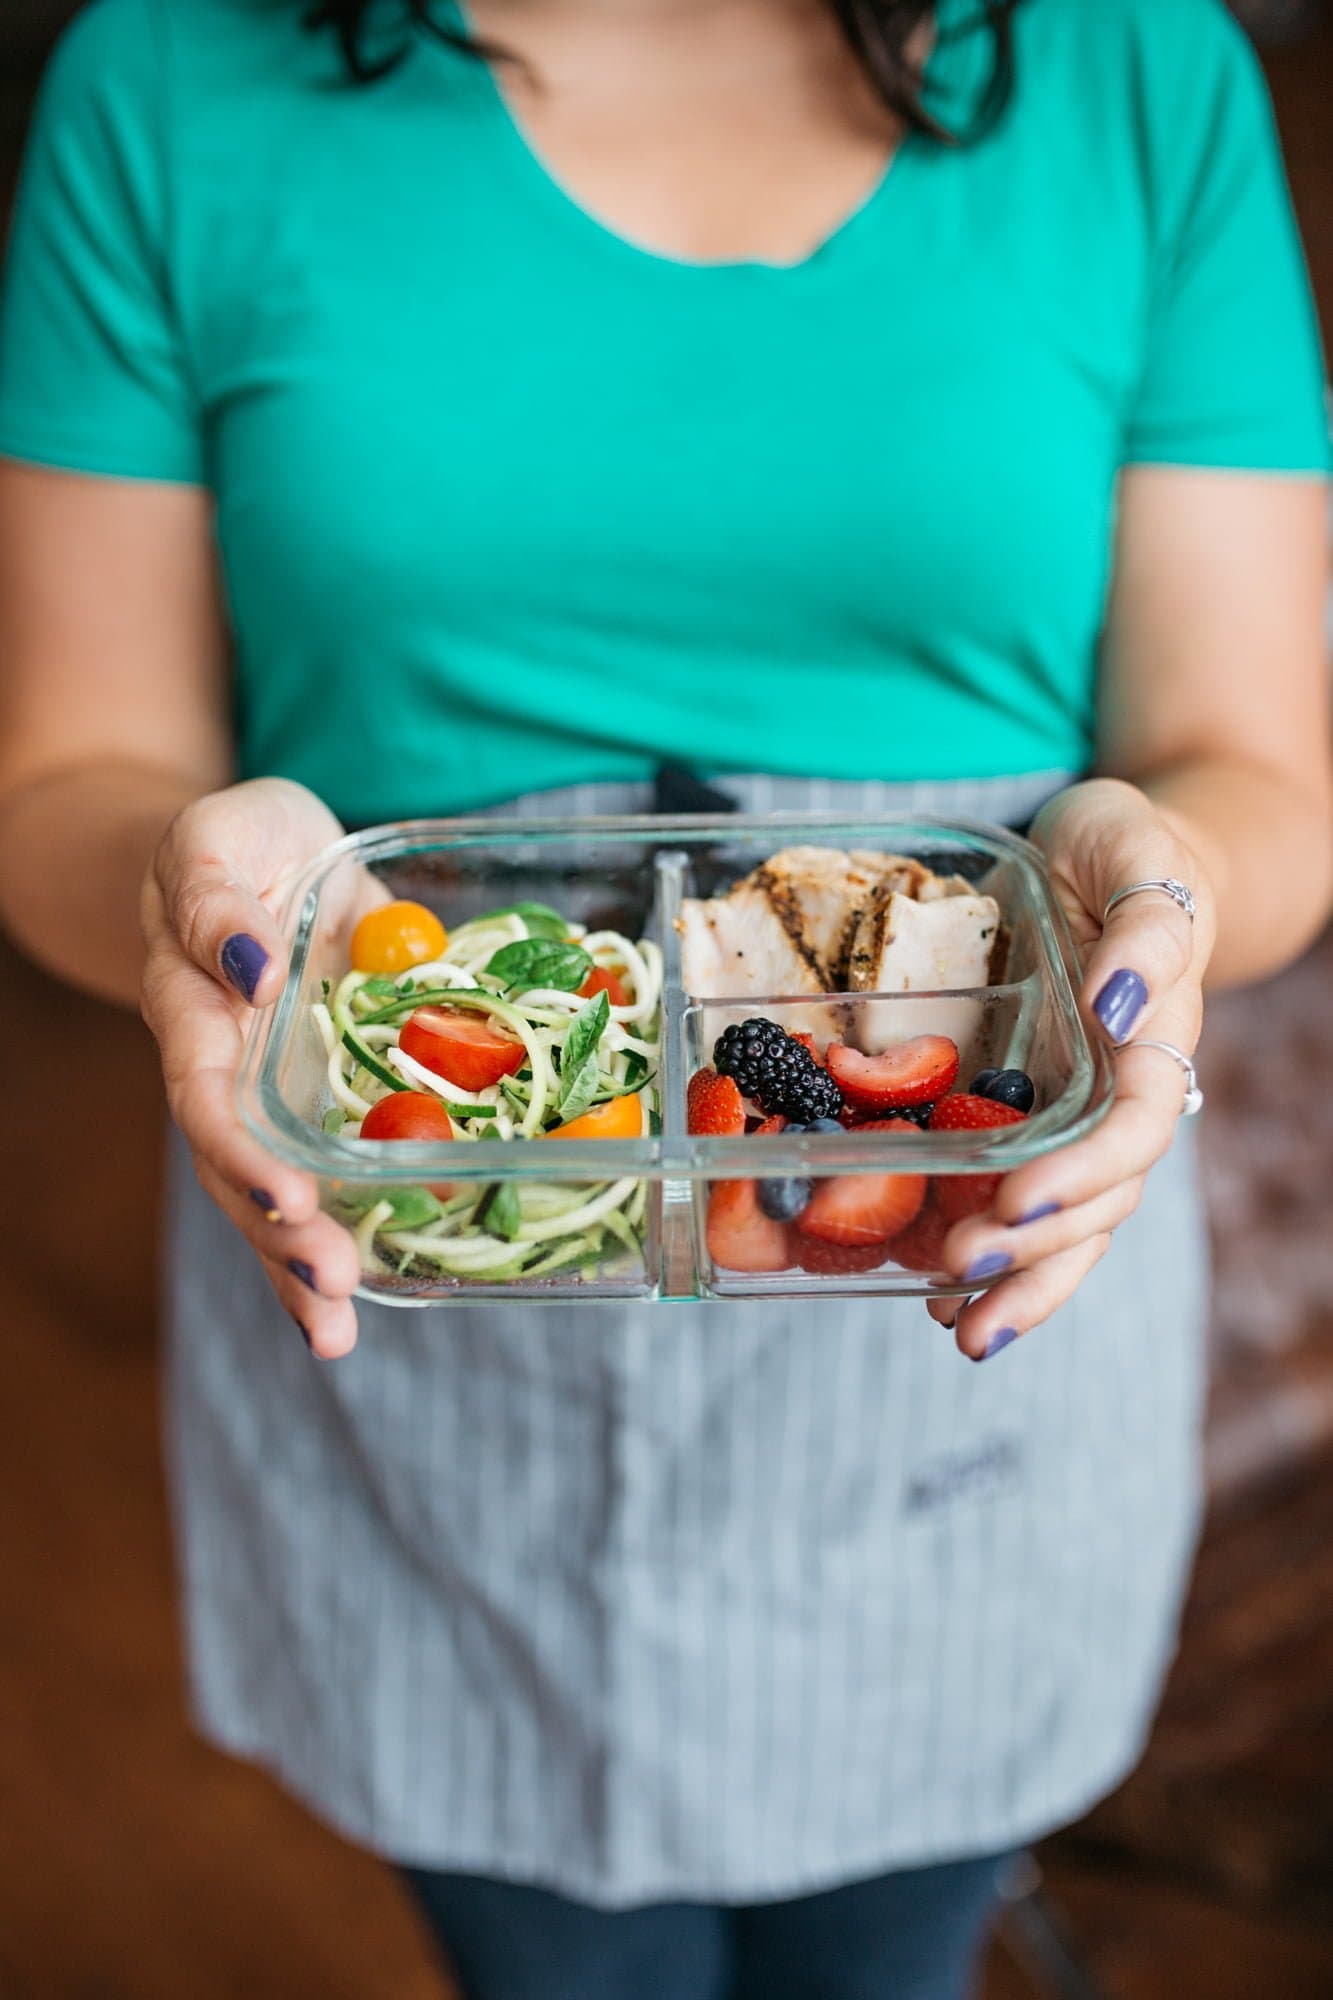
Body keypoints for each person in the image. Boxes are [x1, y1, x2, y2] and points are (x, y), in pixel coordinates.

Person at [0, 1, 1329, 1994]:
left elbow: (1257, 772)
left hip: (967, 1304)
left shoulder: (1137, 74)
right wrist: (189, 888)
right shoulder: (165, 81)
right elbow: (67, 776)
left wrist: (1165, 889)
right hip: (426, 1275)